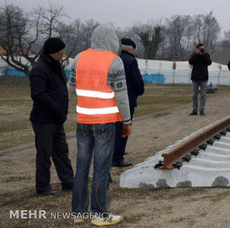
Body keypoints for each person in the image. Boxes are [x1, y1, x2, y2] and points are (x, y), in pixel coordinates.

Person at [67, 24, 132, 225]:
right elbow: (121, 95)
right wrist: (127, 121)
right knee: (101, 168)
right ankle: (99, 213)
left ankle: (78, 213)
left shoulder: (79, 58)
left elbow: (70, 87)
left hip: (83, 121)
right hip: (105, 122)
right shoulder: (115, 61)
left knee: (82, 166)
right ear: (111, 40)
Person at [29, 37, 74, 196]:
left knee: (61, 151)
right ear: (55, 51)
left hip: (56, 118)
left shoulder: (55, 66)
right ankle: (43, 186)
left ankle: (68, 182)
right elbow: (38, 94)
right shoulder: (39, 69)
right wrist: (55, 108)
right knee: (44, 153)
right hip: (43, 119)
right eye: (62, 49)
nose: (64, 52)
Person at [112, 38, 144, 168]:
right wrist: (140, 90)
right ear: (130, 49)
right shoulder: (131, 61)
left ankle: (113, 154)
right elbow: (137, 81)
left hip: (114, 100)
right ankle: (118, 158)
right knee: (125, 128)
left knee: (115, 129)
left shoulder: (115, 59)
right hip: (128, 99)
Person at [188, 43, 212, 116]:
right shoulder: (194, 55)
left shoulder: (206, 55)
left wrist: (203, 55)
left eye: (203, 48)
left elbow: (209, 62)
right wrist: (196, 54)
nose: (202, 50)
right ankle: (194, 110)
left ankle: (201, 110)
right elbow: (190, 62)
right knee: (194, 95)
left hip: (204, 78)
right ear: (197, 49)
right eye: (201, 48)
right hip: (195, 78)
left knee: (203, 95)